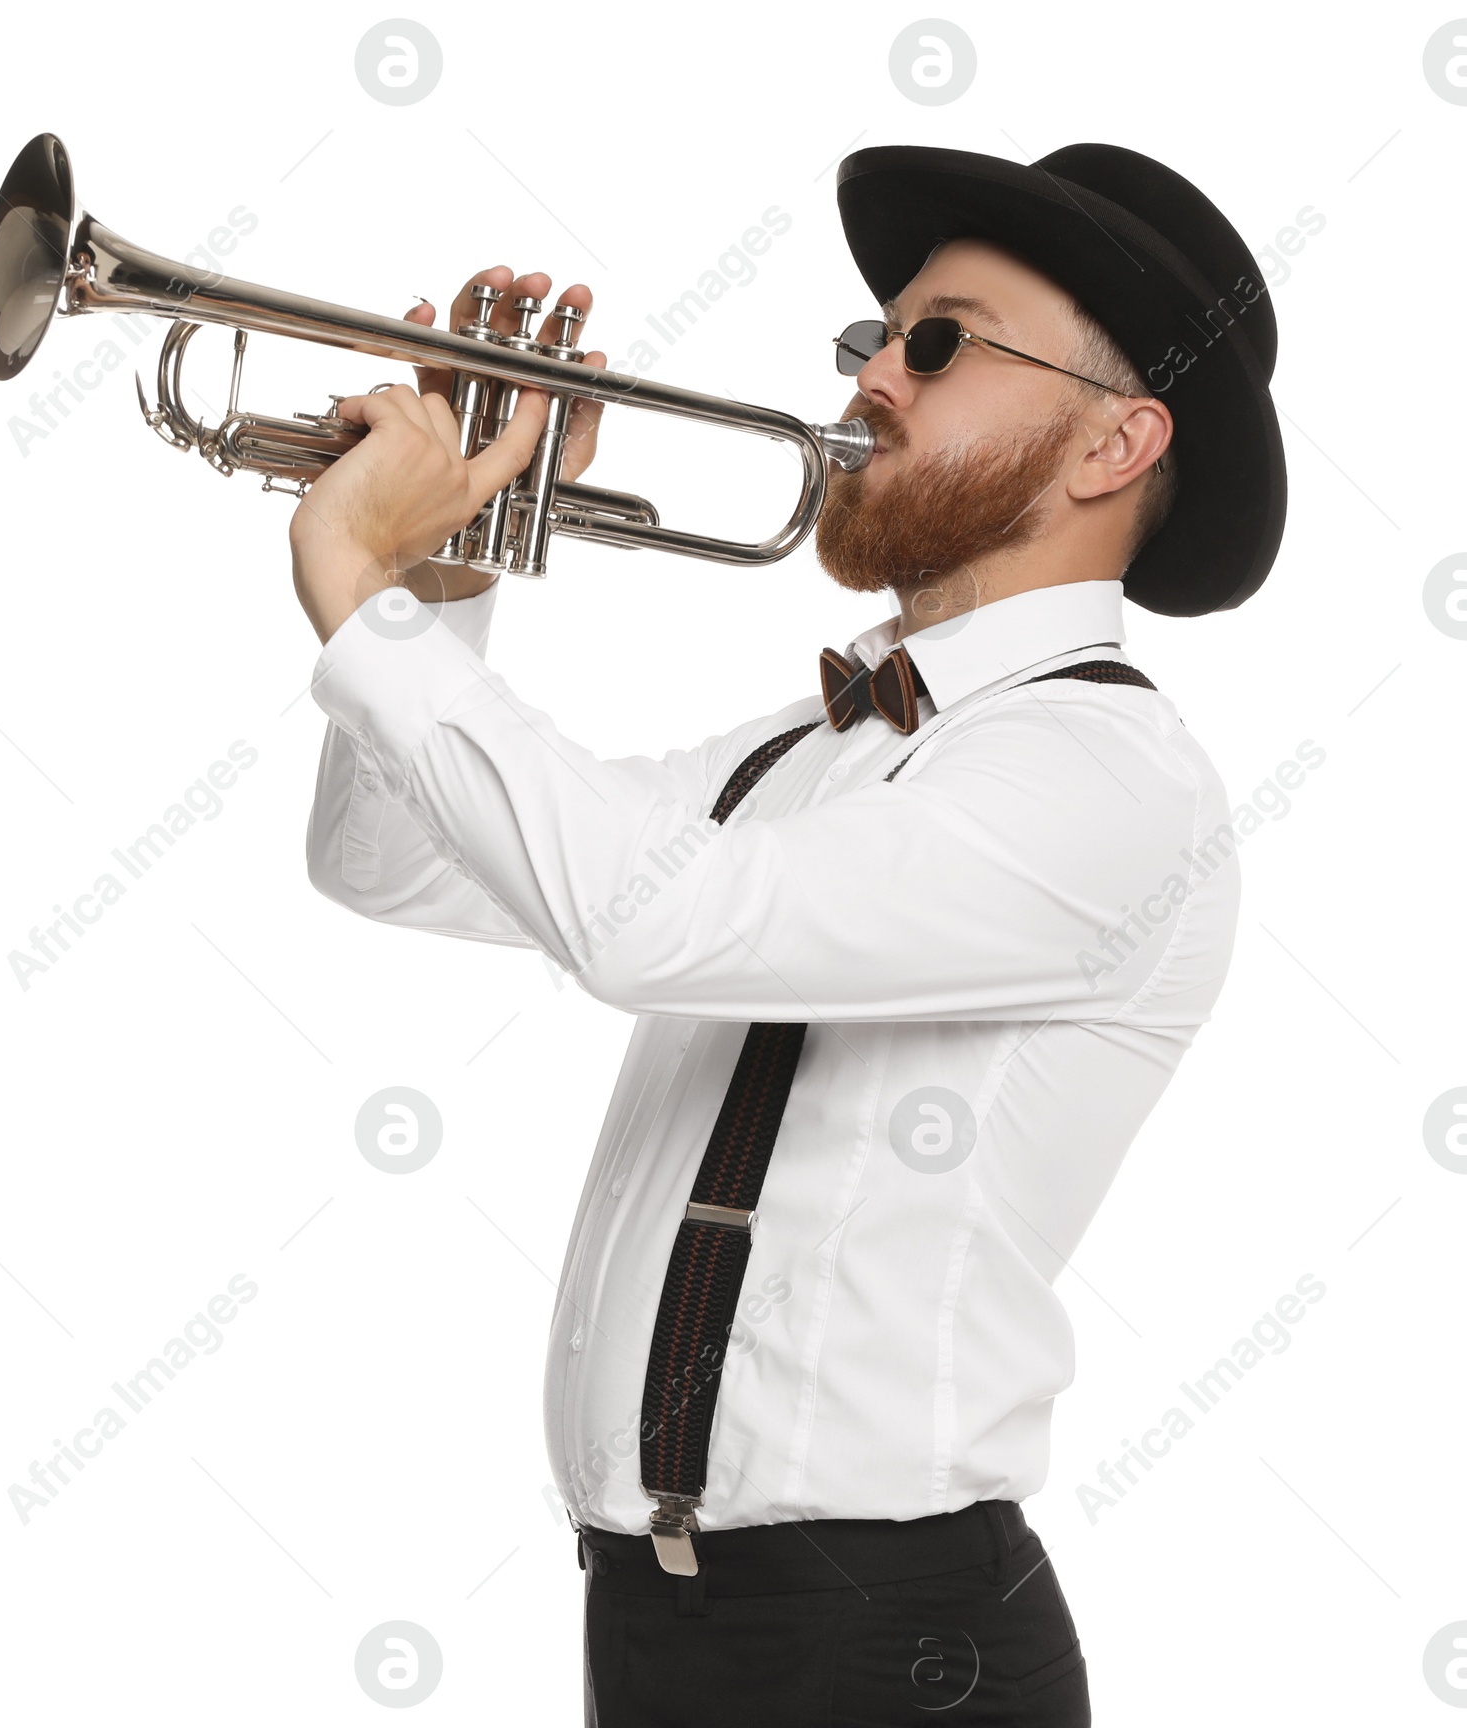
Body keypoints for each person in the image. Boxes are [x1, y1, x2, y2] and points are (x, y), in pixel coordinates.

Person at [291, 143, 1285, 1726]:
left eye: (940, 341)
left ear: (1118, 440)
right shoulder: (801, 752)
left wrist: (359, 589)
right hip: (655, 1632)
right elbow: (387, 865)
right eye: (871, 340)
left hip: (893, 1649)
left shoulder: (1108, 779)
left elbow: (650, 925)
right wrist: (446, 580)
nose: (873, 376)